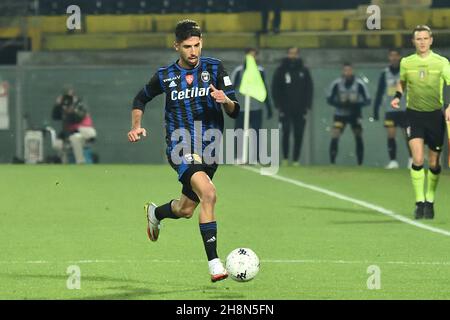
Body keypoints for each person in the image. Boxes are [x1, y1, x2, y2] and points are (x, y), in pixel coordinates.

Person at [127, 20, 240, 282]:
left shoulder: (214, 68)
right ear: (176, 46)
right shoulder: (165, 76)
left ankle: (156, 213)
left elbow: (236, 110)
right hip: (180, 145)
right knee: (209, 194)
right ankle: (215, 264)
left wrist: (226, 101)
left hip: (210, 147)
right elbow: (140, 98)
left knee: (186, 209)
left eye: (197, 45)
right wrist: (136, 126)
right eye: (187, 46)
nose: (193, 51)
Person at [391, 25, 450, 220]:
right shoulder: (407, 62)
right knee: (418, 159)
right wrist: (398, 96)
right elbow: (402, 81)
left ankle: (430, 201)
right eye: (419, 39)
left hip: (435, 116)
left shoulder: (441, 62)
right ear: (413, 41)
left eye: (425, 38)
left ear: (431, 40)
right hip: (414, 115)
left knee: (433, 163)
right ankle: (419, 202)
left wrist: (449, 106)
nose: (422, 42)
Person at [272, 47, 313, 166]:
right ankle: (285, 158)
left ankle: (296, 159)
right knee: (286, 131)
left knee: (298, 133)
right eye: (291, 53)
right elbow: (275, 88)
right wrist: (278, 105)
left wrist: (307, 105)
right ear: (287, 54)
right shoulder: (281, 70)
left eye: (295, 53)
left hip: (300, 109)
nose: (293, 56)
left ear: (298, 55)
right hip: (285, 108)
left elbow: (309, 89)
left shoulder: (304, 70)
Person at [373, 48, 412, 169]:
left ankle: (412, 160)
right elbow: (379, 92)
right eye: (391, 56)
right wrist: (376, 109)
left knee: (408, 135)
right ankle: (393, 161)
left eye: (396, 55)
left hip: (404, 109)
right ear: (389, 57)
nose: (394, 58)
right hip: (390, 110)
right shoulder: (384, 73)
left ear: (400, 57)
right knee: (391, 135)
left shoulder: (405, 72)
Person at [231, 47, 272, 162]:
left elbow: (265, 89)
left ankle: (256, 157)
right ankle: (238, 157)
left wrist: (268, 107)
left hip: (256, 107)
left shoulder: (260, 71)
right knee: (239, 132)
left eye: (254, 55)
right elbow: (230, 89)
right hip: (241, 108)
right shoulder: (239, 71)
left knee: (256, 133)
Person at [326, 62, 371, 165]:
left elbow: (368, 100)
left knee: (358, 135)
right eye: (345, 70)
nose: (347, 72)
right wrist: (339, 104)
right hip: (340, 114)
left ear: (352, 71)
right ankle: (332, 162)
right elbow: (329, 99)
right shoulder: (336, 84)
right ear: (342, 71)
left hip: (355, 114)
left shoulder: (359, 84)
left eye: (349, 70)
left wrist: (357, 104)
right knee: (335, 134)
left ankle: (360, 163)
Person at [51, 88, 96, 164]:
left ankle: (80, 162)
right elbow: (55, 116)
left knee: (74, 138)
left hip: (85, 131)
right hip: (71, 133)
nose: (69, 99)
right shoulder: (63, 107)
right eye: (66, 97)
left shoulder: (80, 104)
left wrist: (72, 110)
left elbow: (78, 118)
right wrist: (58, 105)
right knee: (57, 144)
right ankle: (65, 163)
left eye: (71, 96)